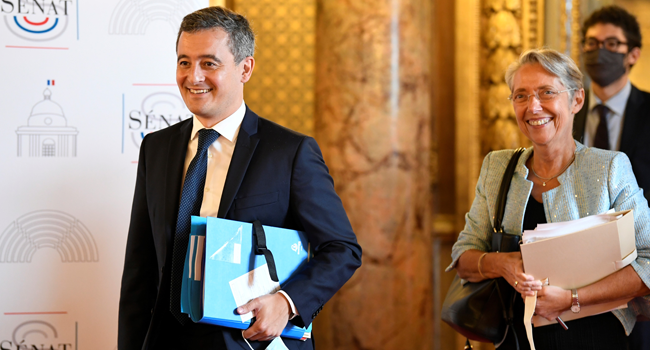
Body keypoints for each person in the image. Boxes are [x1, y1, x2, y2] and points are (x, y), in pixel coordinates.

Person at [117, 6, 362, 350]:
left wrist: (287, 302)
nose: (193, 76)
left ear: (245, 68)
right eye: (184, 62)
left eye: (209, 63)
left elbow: (341, 249)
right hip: (166, 340)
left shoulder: (290, 152)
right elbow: (139, 268)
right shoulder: (155, 147)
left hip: (250, 341)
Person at [448, 48, 650, 349]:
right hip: (513, 339)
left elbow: (648, 259)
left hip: (596, 339)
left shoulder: (609, 167)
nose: (533, 106)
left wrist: (571, 299)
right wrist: (504, 264)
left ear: (576, 100)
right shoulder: (497, 166)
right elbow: (463, 257)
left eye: (546, 92)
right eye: (521, 95)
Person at [573, 5, 650, 203]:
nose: (600, 52)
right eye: (592, 42)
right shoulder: (566, 110)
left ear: (633, 55)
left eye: (612, 44)